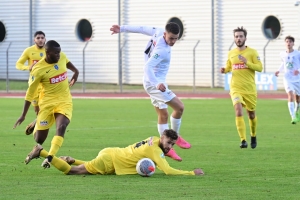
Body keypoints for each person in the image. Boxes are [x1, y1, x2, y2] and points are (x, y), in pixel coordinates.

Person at [110, 22, 191, 161]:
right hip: (155, 83)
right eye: (171, 38)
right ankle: (175, 137)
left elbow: (141, 28)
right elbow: (147, 67)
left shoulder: (158, 31)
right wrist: (157, 83)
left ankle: (165, 149)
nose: (173, 41)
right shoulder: (162, 50)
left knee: (163, 114)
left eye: (175, 38)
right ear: (165, 34)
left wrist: (122, 28)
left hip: (153, 82)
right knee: (180, 107)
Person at [13, 40, 79, 168]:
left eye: (59, 52)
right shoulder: (38, 70)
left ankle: (49, 158)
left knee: (62, 126)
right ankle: (37, 122)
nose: (59, 55)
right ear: (47, 52)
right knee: (39, 139)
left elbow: (72, 67)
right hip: (47, 103)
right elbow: (30, 93)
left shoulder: (62, 57)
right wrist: (23, 115)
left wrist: (76, 73)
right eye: (56, 53)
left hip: (64, 101)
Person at [24, 129, 204, 176]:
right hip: (110, 160)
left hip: (112, 155)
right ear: (162, 137)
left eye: (172, 144)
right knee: (72, 172)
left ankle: (73, 159)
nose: (170, 147)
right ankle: (41, 152)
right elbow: (168, 170)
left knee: (89, 168)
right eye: (168, 143)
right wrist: (191, 173)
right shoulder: (155, 150)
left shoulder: (153, 140)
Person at [220, 26, 263, 149]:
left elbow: (260, 68)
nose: (238, 39)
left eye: (241, 36)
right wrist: (225, 70)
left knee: (251, 115)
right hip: (235, 88)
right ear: (234, 38)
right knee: (238, 110)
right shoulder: (231, 53)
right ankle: (243, 140)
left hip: (249, 89)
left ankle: (253, 135)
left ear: (245, 38)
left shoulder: (252, 52)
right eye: (236, 36)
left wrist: (247, 63)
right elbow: (229, 67)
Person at [16, 31, 47, 135]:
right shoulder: (29, 51)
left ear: (45, 39)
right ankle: (36, 124)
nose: (40, 39)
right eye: (38, 38)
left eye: (42, 37)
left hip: (45, 85)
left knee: (45, 110)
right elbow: (18, 64)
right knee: (38, 112)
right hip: (33, 85)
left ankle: (38, 132)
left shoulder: (48, 51)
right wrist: (27, 67)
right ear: (34, 40)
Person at [275, 35, 300, 124]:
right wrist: (278, 70)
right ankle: (293, 117)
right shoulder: (282, 54)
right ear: (285, 43)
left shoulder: (297, 54)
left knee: (298, 99)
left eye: (290, 42)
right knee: (290, 95)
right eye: (287, 42)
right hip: (287, 78)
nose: (288, 43)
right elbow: (283, 63)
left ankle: (297, 112)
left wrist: (298, 70)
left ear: (293, 43)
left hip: (297, 79)